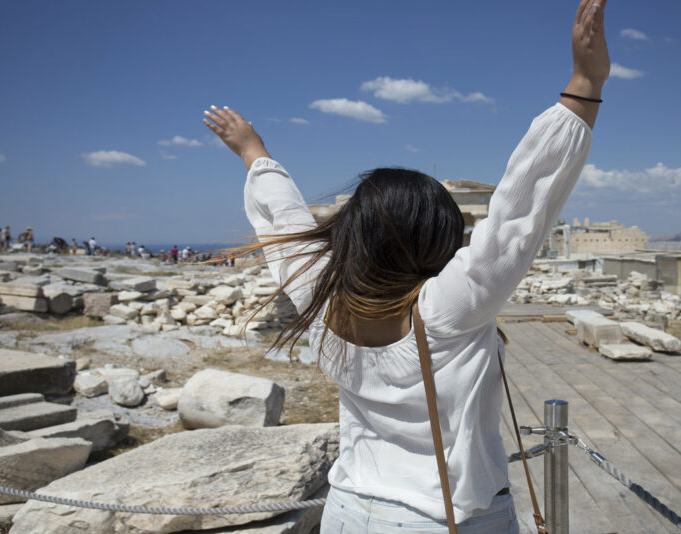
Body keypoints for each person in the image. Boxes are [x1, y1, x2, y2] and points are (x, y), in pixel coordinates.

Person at [204, 1, 608, 530]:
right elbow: (520, 209)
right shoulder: (447, 309)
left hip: (347, 509)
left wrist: (253, 153)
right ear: (439, 237)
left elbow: (285, 227)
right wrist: (585, 82)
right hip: (444, 519)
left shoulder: (320, 297)